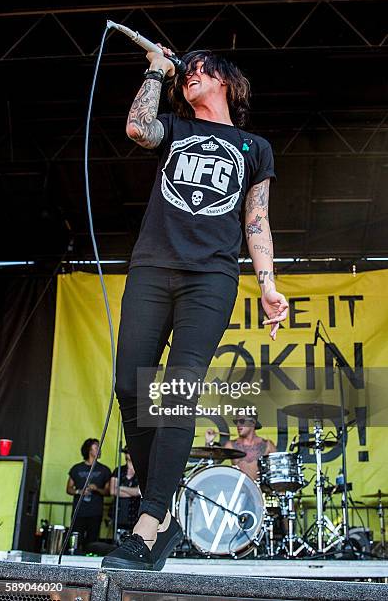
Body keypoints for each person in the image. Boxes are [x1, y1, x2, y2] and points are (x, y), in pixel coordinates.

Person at [102, 45, 288, 571]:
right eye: (186, 70)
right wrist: (157, 70)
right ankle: (165, 520)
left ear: (225, 81)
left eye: (199, 68)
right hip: (152, 267)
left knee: (180, 389)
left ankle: (149, 519)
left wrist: (267, 284)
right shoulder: (175, 131)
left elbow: (257, 221)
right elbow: (138, 128)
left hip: (211, 278)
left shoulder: (253, 146)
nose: (191, 75)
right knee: (129, 386)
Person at [66, 438, 111, 551]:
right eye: (96, 448)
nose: (99, 450)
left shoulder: (104, 470)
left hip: (95, 512)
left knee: (92, 543)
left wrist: (97, 489)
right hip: (79, 512)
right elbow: (68, 489)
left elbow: (108, 492)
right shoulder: (76, 469)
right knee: (75, 541)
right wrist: (79, 492)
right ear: (89, 450)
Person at [205, 413, 277, 481]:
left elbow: (278, 471)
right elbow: (211, 463)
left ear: (253, 422)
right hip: (239, 490)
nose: (238, 425)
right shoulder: (230, 445)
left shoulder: (268, 445)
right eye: (237, 422)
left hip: (261, 491)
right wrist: (208, 442)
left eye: (242, 421)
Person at [109, 447, 141, 535]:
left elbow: (139, 491)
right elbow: (112, 491)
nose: (128, 454)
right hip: (120, 511)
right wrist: (132, 492)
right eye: (127, 452)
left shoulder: (141, 471)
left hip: (135, 511)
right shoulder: (118, 470)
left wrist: (120, 488)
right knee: (118, 537)